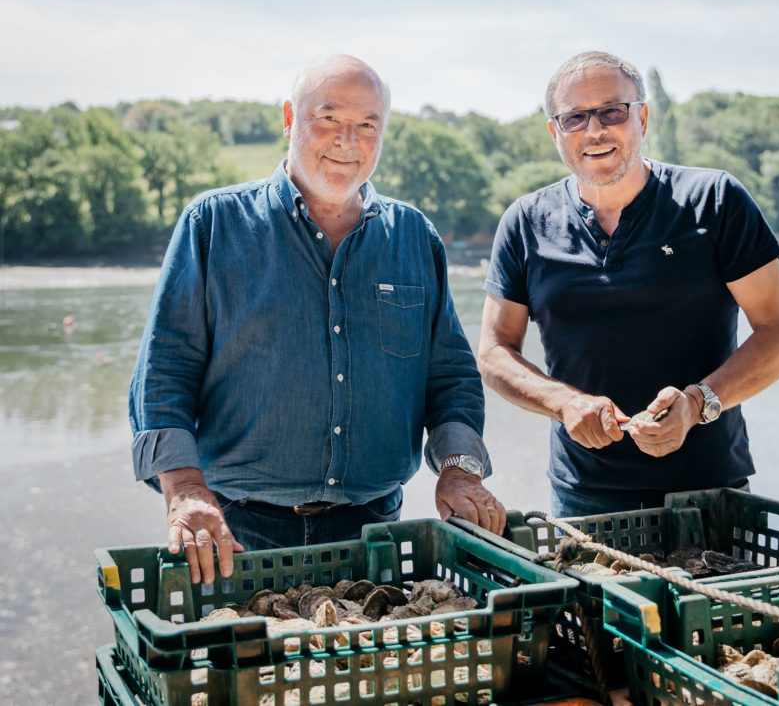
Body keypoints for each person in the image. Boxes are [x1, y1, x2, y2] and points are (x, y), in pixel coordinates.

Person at [130, 55, 505, 585]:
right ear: (289, 119)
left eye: (367, 124)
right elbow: (163, 375)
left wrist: (460, 470)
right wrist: (185, 489)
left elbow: (451, 378)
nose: (347, 140)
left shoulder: (414, 236)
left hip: (375, 532)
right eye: (327, 118)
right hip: (234, 536)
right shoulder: (212, 224)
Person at [478, 51, 779, 517]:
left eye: (612, 112)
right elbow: (493, 352)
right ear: (555, 131)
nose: (594, 131)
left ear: (643, 117)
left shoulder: (715, 200)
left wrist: (697, 403)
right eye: (575, 118)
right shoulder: (525, 222)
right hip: (581, 496)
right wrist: (564, 402)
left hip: (710, 493)